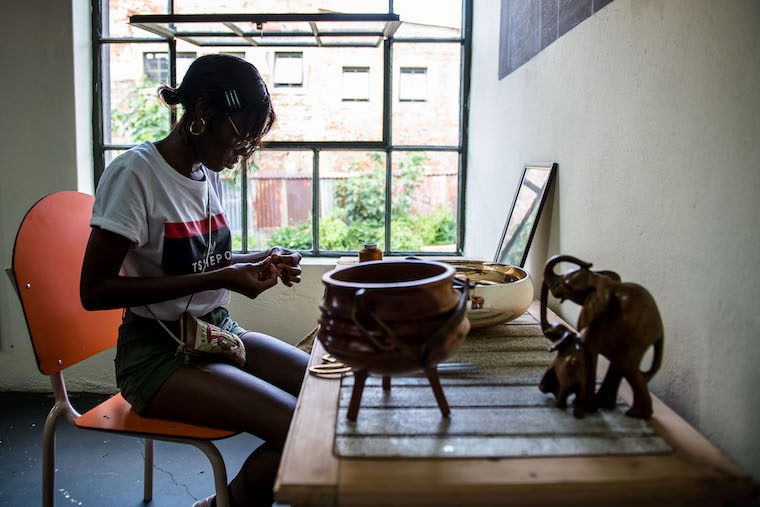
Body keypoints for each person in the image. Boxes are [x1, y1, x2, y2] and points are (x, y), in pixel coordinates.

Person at [80, 54, 309, 507]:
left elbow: (205, 262)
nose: (239, 154)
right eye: (238, 136)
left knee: (329, 398)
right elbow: (94, 291)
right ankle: (229, 503)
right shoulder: (135, 175)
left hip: (215, 332)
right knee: (301, 430)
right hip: (156, 354)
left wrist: (259, 259)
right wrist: (225, 274)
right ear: (203, 112)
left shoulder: (206, 172)